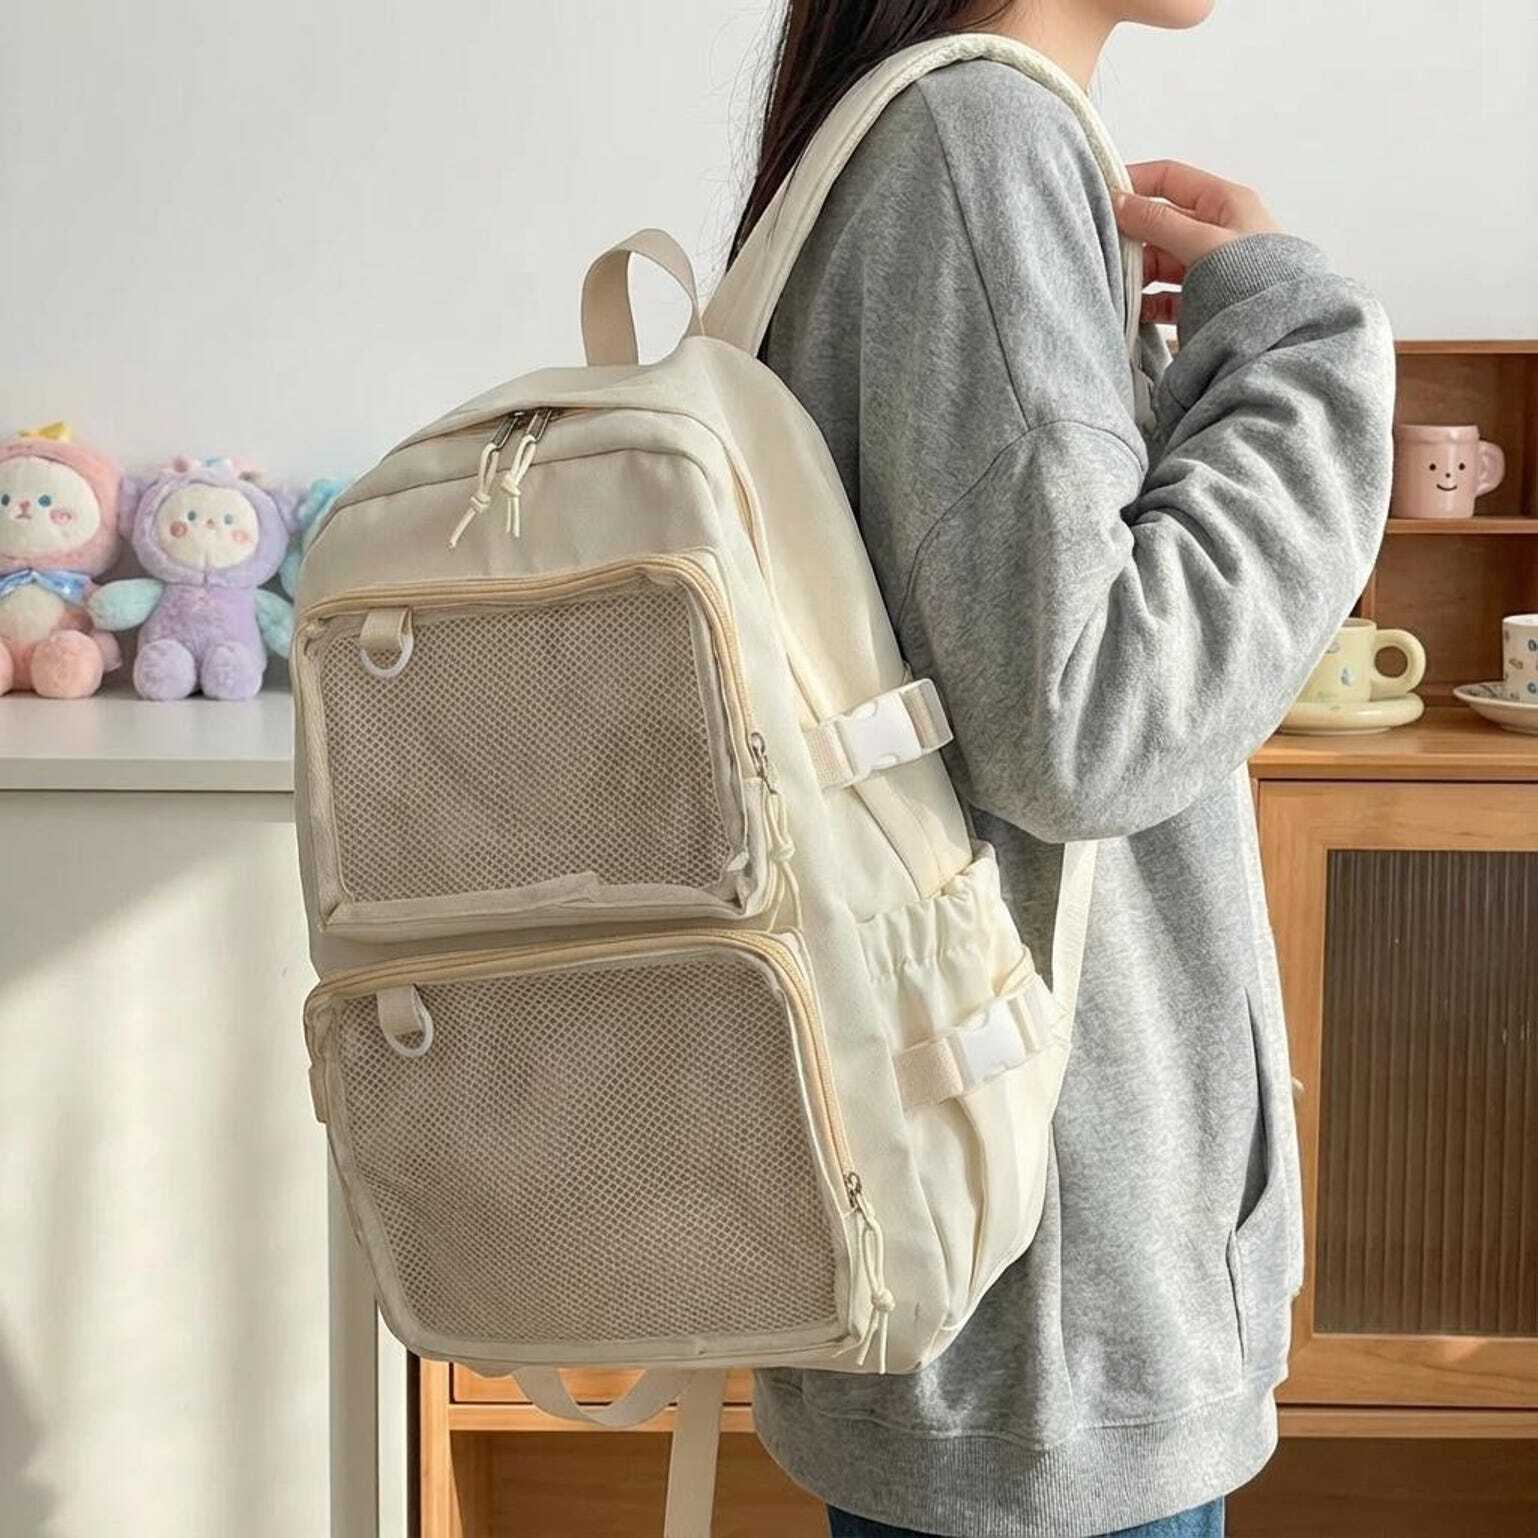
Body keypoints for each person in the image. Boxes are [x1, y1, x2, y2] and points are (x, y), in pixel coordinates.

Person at [733, 3, 1395, 1535]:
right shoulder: (976, 140)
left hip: (989, 1281)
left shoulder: (908, 141)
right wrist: (1300, 351)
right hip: (1046, 1329)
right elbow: (1092, 718)